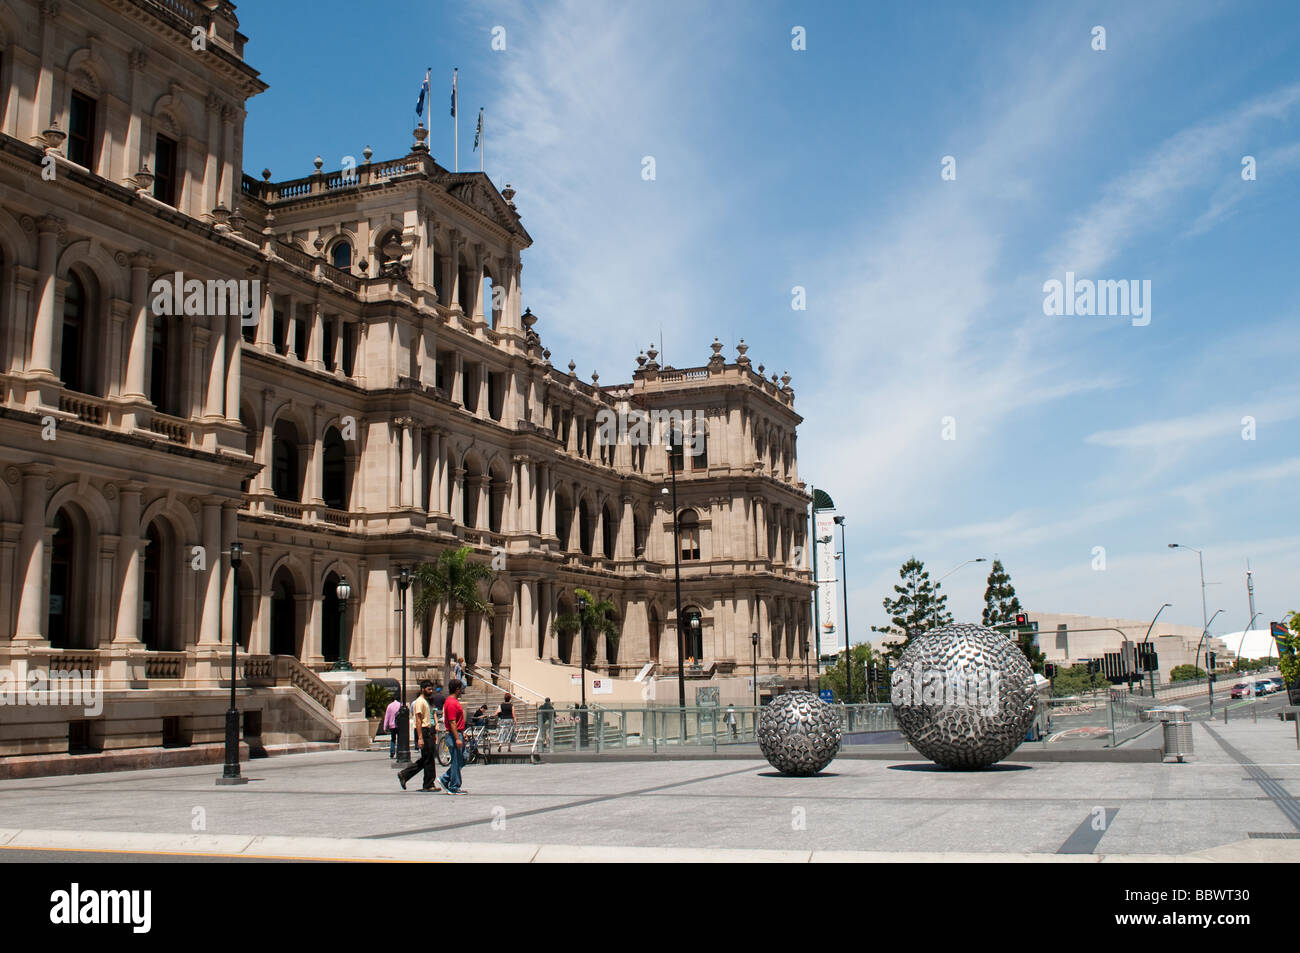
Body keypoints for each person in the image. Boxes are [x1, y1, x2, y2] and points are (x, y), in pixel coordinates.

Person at [397, 680, 440, 792]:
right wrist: (420, 737)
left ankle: (405, 775)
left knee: (427, 758)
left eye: (431, 689)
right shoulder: (419, 702)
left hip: (428, 731)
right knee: (429, 758)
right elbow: (418, 720)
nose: (431, 691)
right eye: (428, 689)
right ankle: (428, 784)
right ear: (422, 689)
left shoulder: (426, 701)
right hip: (423, 731)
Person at [439, 678, 468, 795]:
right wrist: (457, 738)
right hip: (454, 735)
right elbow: (452, 722)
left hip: (459, 733)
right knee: (457, 760)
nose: (462, 691)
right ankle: (454, 786)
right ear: (457, 689)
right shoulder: (451, 703)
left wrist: (462, 732)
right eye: (461, 688)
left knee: (463, 758)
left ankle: (445, 778)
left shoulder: (453, 701)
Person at [382, 694, 401, 758]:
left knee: (393, 739)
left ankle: (392, 752)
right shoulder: (400, 705)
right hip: (399, 725)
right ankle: (399, 752)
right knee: (399, 739)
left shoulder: (389, 706)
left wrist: (385, 727)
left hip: (392, 725)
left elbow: (387, 717)